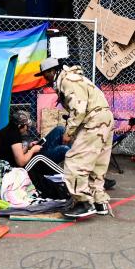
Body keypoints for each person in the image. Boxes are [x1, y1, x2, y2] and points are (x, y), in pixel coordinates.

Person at [36, 57, 114, 218]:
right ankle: (99, 202)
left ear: (52, 71)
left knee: (75, 160)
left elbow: (79, 109)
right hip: (104, 118)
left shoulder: (68, 80)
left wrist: (68, 133)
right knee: (96, 163)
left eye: (45, 75)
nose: (45, 78)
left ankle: (83, 202)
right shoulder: (73, 78)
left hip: (93, 120)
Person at [0, 110, 70, 199]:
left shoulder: (8, 130)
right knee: (62, 150)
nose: (27, 129)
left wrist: (29, 147)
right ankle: (69, 177)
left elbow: (16, 154)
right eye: (27, 126)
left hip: (23, 160)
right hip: (20, 168)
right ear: (20, 126)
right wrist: (32, 150)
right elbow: (21, 162)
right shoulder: (14, 135)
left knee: (60, 130)